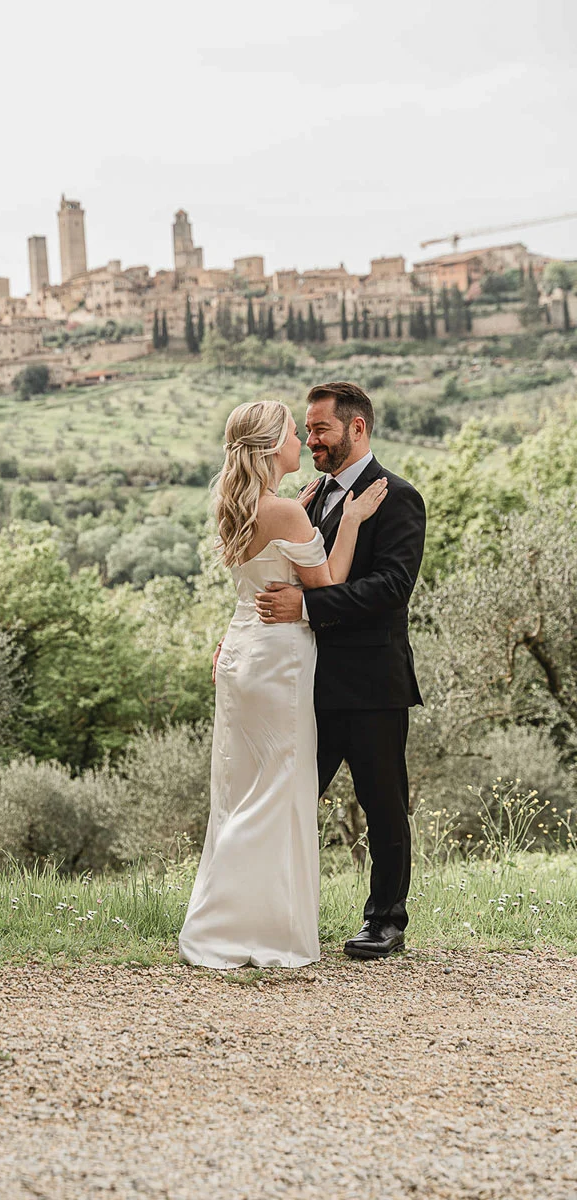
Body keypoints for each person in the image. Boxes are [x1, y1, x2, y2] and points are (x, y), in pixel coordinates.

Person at [178, 399, 387, 969]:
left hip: (241, 652)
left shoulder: (236, 504)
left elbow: (256, 581)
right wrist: (349, 520)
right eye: (296, 433)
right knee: (278, 790)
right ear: (274, 448)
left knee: (242, 787)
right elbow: (329, 584)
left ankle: (229, 920)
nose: (304, 442)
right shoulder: (291, 514)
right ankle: (258, 927)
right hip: (280, 661)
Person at [254, 381, 426, 959]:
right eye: (307, 430)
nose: (311, 440)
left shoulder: (398, 498)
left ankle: (386, 922)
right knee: (294, 799)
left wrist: (307, 606)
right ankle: (275, 912)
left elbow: (389, 588)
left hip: (373, 685)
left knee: (382, 804)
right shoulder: (311, 498)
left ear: (357, 428)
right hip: (305, 680)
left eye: (321, 429)